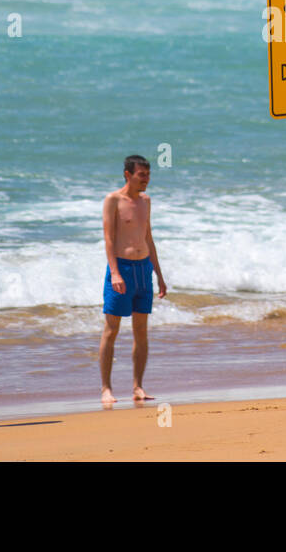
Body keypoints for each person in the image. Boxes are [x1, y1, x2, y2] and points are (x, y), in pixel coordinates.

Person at [100, 154, 167, 404]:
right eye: (142, 175)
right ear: (128, 174)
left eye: (148, 175)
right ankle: (106, 388)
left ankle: (138, 386)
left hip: (143, 269)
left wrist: (159, 275)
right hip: (122, 269)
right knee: (111, 330)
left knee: (141, 330)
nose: (146, 180)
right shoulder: (113, 200)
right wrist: (115, 272)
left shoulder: (146, 201)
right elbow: (108, 238)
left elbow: (148, 237)